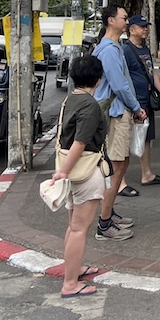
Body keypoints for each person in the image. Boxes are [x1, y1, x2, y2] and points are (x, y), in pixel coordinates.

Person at [49, 55, 106, 298]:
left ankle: (74, 269)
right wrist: (62, 172)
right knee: (79, 229)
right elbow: (81, 142)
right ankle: (70, 283)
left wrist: (63, 171)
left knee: (73, 226)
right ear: (99, 78)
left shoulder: (70, 100)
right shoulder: (91, 106)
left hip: (71, 171)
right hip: (85, 171)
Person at [93, 4, 147, 240]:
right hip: (116, 113)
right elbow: (119, 84)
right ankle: (104, 224)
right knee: (116, 167)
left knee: (120, 164)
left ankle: (108, 213)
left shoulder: (113, 47)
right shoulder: (110, 50)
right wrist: (136, 108)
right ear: (110, 21)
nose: (127, 22)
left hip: (118, 110)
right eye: (124, 18)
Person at [118, 14, 160, 194]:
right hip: (134, 101)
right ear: (132, 30)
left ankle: (146, 173)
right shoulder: (125, 50)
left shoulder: (145, 49)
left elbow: (151, 73)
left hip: (147, 99)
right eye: (141, 27)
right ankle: (120, 181)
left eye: (146, 26)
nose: (145, 29)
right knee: (125, 139)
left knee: (146, 137)